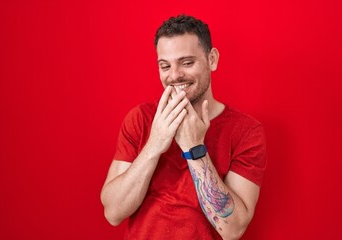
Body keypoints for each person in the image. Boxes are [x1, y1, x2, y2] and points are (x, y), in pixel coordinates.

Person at [101, 14, 266, 240]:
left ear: (212, 59)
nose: (175, 75)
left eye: (187, 63)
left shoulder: (246, 131)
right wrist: (154, 144)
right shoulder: (140, 119)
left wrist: (195, 147)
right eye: (165, 66)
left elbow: (232, 229)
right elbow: (113, 213)